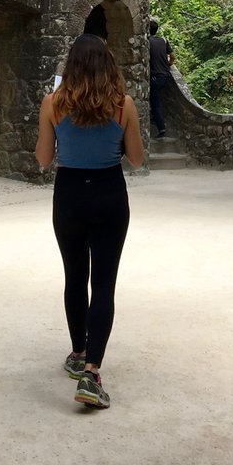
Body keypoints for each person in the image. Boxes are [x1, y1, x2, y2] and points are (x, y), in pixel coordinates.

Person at [35, 34, 144, 410]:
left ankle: (78, 352)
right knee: (104, 283)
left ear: (72, 66)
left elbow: (44, 159)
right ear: (108, 66)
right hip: (109, 195)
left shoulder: (52, 104)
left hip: (69, 196)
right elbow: (137, 159)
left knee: (74, 277)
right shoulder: (123, 106)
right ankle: (92, 373)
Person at [148, 19, 174, 138]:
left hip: (155, 77)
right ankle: (154, 117)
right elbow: (172, 57)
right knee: (156, 100)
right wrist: (168, 64)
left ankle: (161, 128)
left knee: (156, 103)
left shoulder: (147, 42)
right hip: (166, 75)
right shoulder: (163, 40)